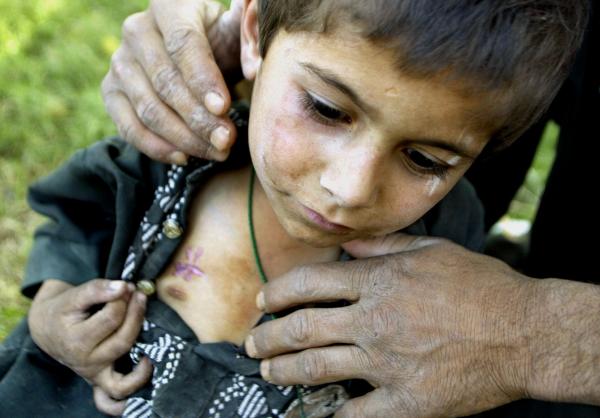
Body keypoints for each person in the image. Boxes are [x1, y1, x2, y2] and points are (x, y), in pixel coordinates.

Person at [0, 1, 593, 418]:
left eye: (425, 159)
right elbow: (77, 214)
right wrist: (53, 311)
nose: (350, 187)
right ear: (253, 35)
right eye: (327, 110)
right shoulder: (171, 155)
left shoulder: (444, 242)